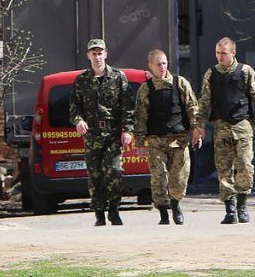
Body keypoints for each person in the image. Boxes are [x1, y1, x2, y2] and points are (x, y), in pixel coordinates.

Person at [192, 37, 255, 224]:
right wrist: (199, 126)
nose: (220, 56)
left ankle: (242, 207)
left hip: (243, 126)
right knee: (224, 169)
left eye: (224, 53)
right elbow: (203, 102)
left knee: (245, 166)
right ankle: (230, 210)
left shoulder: (245, 72)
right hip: (221, 127)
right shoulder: (211, 74)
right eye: (217, 53)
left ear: (233, 53)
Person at [69, 38, 135, 226]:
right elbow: (74, 107)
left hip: (112, 133)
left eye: (100, 53)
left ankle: (114, 210)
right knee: (95, 174)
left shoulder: (118, 77)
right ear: (88, 55)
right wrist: (78, 120)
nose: (97, 57)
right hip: (92, 134)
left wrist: (127, 129)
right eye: (94, 53)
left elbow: (127, 107)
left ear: (106, 54)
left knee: (114, 171)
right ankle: (99, 212)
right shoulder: (82, 81)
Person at [134, 49, 199, 225]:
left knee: (179, 177)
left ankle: (176, 205)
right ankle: (163, 211)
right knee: (158, 177)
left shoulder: (180, 83)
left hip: (179, 139)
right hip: (156, 140)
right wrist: (139, 143)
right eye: (158, 64)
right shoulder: (145, 89)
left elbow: (192, 107)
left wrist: (197, 130)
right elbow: (140, 117)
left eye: (164, 63)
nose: (162, 67)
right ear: (150, 66)